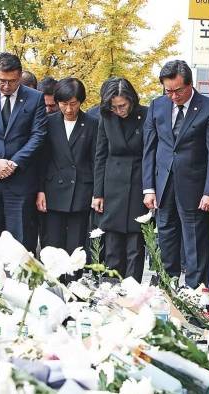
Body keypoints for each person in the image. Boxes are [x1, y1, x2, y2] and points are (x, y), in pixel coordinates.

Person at [143, 60, 209, 288]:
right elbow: (149, 149)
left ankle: (195, 290)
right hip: (164, 185)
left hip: (195, 188)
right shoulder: (157, 106)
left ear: (190, 85)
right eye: (168, 91)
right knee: (166, 237)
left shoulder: (208, 107)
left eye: (178, 90)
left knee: (195, 241)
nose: (173, 96)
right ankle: (167, 286)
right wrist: (149, 188)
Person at [0, 52, 47, 254]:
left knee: (19, 244)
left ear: (19, 76)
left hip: (19, 181)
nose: (6, 86)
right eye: (1, 81)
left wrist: (13, 164)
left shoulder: (35, 98)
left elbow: (38, 136)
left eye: (11, 81)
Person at [92, 78, 148, 282]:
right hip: (112, 184)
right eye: (114, 107)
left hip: (138, 182)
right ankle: (111, 291)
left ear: (131, 100)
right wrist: (98, 193)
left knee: (135, 244)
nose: (119, 110)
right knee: (112, 245)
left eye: (122, 105)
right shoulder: (106, 116)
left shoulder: (146, 115)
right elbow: (100, 154)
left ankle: (133, 292)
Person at [36, 78, 97, 258]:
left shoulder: (93, 124)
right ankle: (54, 285)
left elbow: (96, 160)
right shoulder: (48, 123)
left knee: (76, 247)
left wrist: (97, 192)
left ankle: (75, 283)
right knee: (53, 246)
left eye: (73, 104)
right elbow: (41, 160)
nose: (69, 109)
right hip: (53, 190)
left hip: (81, 190)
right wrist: (40, 190)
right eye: (64, 104)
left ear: (81, 101)